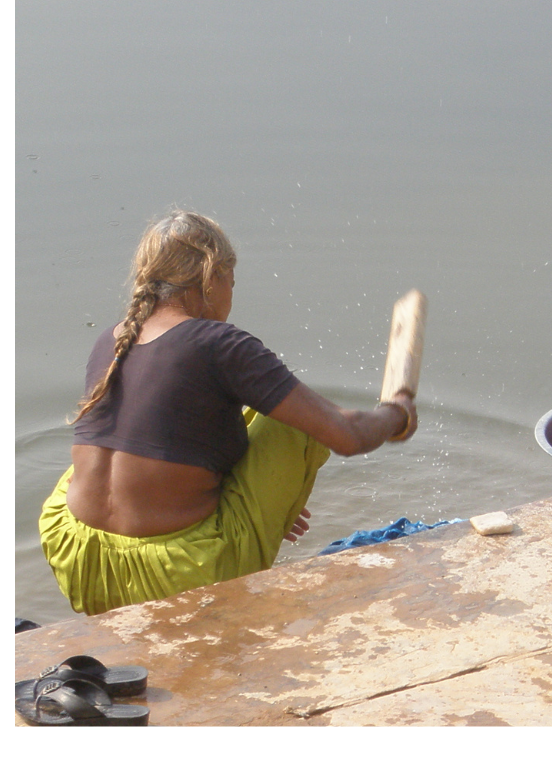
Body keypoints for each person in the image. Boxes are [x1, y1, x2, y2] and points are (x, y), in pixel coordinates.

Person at [39, 210, 420, 615]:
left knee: (113, 442)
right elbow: (346, 435)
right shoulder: (221, 343)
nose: (230, 298)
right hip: (180, 573)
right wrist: (397, 413)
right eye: (231, 283)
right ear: (211, 276)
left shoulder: (113, 338)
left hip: (80, 558)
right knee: (295, 423)